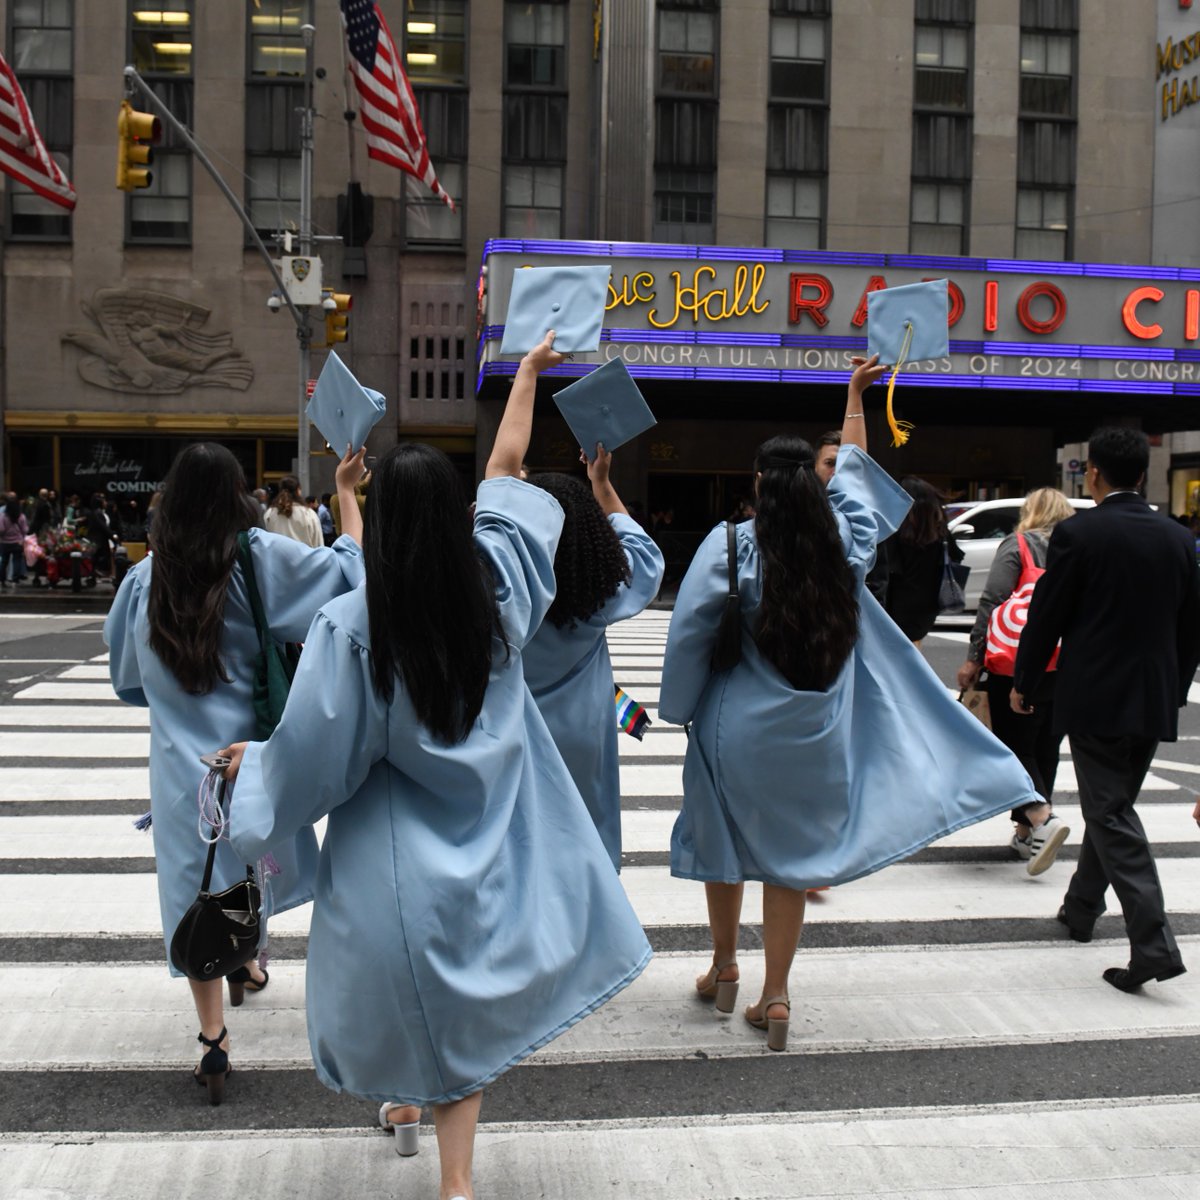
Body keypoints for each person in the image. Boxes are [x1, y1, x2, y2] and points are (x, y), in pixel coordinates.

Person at [215, 331, 650, 1200]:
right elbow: (507, 471)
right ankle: (458, 1182)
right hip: (488, 838)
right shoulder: (499, 593)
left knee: (403, 989)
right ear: (453, 518)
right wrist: (527, 373)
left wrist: (249, 772)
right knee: (465, 1008)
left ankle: (403, 1110)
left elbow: (311, 763)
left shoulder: (355, 623)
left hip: (391, 849)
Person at [660, 357, 1041, 1052]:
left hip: (734, 728)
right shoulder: (842, 546)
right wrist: (855, 398)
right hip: (816, 728)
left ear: (757, 486)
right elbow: (859, 479)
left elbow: (689, 637)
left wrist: (678, 707)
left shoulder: (728, 546)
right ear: (813, 485)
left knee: (721, 839)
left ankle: (722, 968)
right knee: (791, 860)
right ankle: (776, 996)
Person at [104, 443, 367, 1104]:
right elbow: (345, 581)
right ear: (236, 498)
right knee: (248, 869)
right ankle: (247, 960)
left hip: (178, 774)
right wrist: (346, 495)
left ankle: (214, 1039)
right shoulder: (256, 559)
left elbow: (126, 680)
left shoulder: (144, 580)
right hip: (249, 763)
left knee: (196, 892)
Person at [1013, 427, 1200, 992]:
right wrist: (1176, 688)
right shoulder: (1177, 537)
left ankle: (1153, 946)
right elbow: (1191, 629)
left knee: (1111, 814)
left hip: (1094, 695)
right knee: (1111, 804)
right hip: (1152, 695)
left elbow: (1049, 613)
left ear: (1092, 472)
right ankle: (1080, 910)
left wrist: (1026, 679)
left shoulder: (1078, 534)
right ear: (1142, 474)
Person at [524, 450, 665, 867]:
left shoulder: (509, 595)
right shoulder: (599, 596)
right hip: (583, 731)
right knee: (583, 840)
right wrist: (601, 484)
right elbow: (644, 554)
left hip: (517, 728)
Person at [957, 488, 1075, 874]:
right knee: (1044, 745)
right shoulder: (1076, 549)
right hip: (1064, 664)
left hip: (1015, 665)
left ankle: (1042, 817)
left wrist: (975, 658)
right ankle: (1028, 836)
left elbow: (992, 602)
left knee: (1010, 745)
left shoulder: (1018, 544)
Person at [883, 477, 964, 645]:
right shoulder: (939, 533)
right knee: (913, 647)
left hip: (895, 604)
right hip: (928, 604)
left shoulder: (894, 532)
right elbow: (957, 555)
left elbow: (887, 567)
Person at [263, 475, 323, 547]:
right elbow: (318, 545)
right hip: (304, 557)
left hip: (276, 557)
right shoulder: (309, 514)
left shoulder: (269, 513)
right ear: (298, 490)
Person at [0, 493, 28, 588]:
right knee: (16, 561)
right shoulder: (21, 516)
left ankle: (2, 580)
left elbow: (1, 529)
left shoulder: (3, 516)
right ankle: (15, 580)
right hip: (18, 542)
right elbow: (24, 530)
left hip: (5, 543)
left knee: (4, 562)